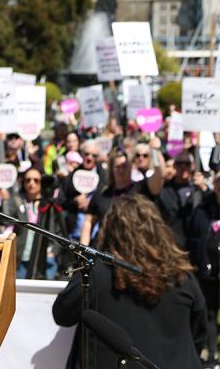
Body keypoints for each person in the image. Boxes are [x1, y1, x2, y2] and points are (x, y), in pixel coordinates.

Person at [53, 194, 206, 369]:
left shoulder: (96, 273)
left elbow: (62, 313)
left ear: (109, 230)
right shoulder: (182, 276)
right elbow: (199, 333)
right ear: (158, 228)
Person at [80, 142, 163, 245]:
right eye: (118, 167)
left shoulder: (141, 189)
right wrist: (82, 249)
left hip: (132, 250)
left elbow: (159, 175)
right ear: (112, 169)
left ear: (131, 167)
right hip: (104, 250)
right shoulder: (103, 193)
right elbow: (88, 221)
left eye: (124, 166)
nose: (121, 170)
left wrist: (156, 151)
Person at [187, 172, 220, 367]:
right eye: (217, 181)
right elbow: (195, 236)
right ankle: (212, 355)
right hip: (208, 273)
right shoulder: (203, 207)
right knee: (208, 313)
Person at [158, 150, 203, 250]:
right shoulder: (164, 190)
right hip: (172, 245)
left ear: (193, 166)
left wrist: (204, 189)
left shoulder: (198, 190)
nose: (183, 167)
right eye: (179, 164)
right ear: (174, 166)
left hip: (195, 247)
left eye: (187, 164)